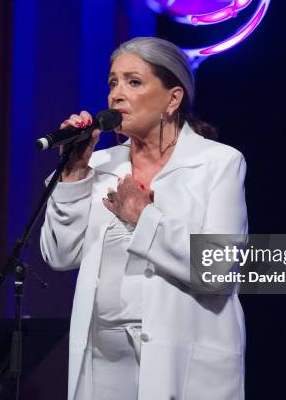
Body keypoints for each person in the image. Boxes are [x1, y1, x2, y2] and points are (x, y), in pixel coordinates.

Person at [40, 37, 248, 400]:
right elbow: (60, 255)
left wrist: (143, 216)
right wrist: (73, 174)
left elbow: (219, 270)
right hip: (104, 361)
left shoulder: (219, 163)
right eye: (112, 83)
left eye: (133, 82)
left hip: (183, 360)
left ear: (173, 98)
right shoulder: (101, 166)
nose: (116, 95)